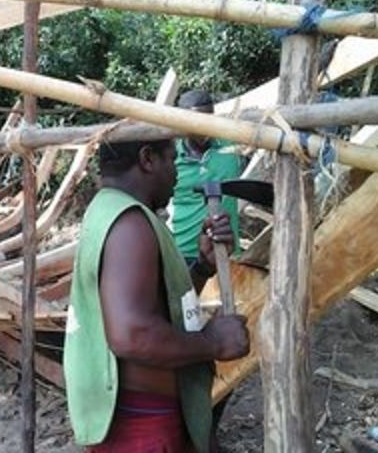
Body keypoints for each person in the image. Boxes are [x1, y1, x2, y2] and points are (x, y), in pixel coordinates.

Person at [63, 137, 250, 452]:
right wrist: (212, 342)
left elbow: (155, 305)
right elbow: (131, 334)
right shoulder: (130, 224)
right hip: (141, 424)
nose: (177, 175)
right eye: (172, 161)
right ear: (147, 159)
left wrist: (202, 268)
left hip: (134, 415)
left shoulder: (110, 209)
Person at [170, 90, 243, 264]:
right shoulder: (171, 159)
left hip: (227, 250)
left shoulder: (231, 148)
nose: (204, 129)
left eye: (209, 120)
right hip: (184, 254)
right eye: (197, 123)